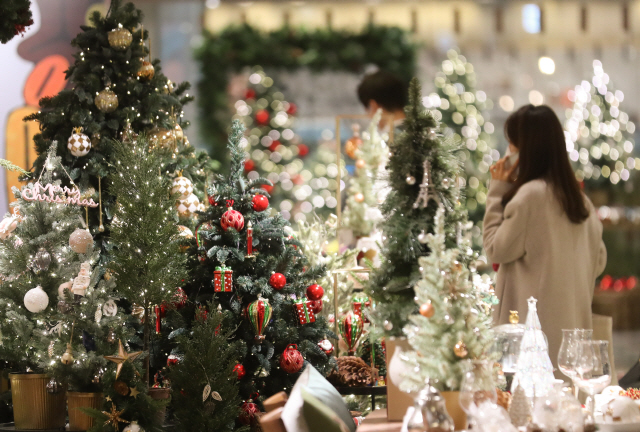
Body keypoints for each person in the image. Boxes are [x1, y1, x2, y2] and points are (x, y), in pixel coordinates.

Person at [483, 104, 607, 374]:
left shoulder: (530, 196)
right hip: (573, 342)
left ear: (525, 148)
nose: (508, 152)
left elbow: (495, 248)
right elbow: (598, 263)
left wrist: (497, 191)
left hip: (529, 342)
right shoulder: (581, 203)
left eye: (512, 144)